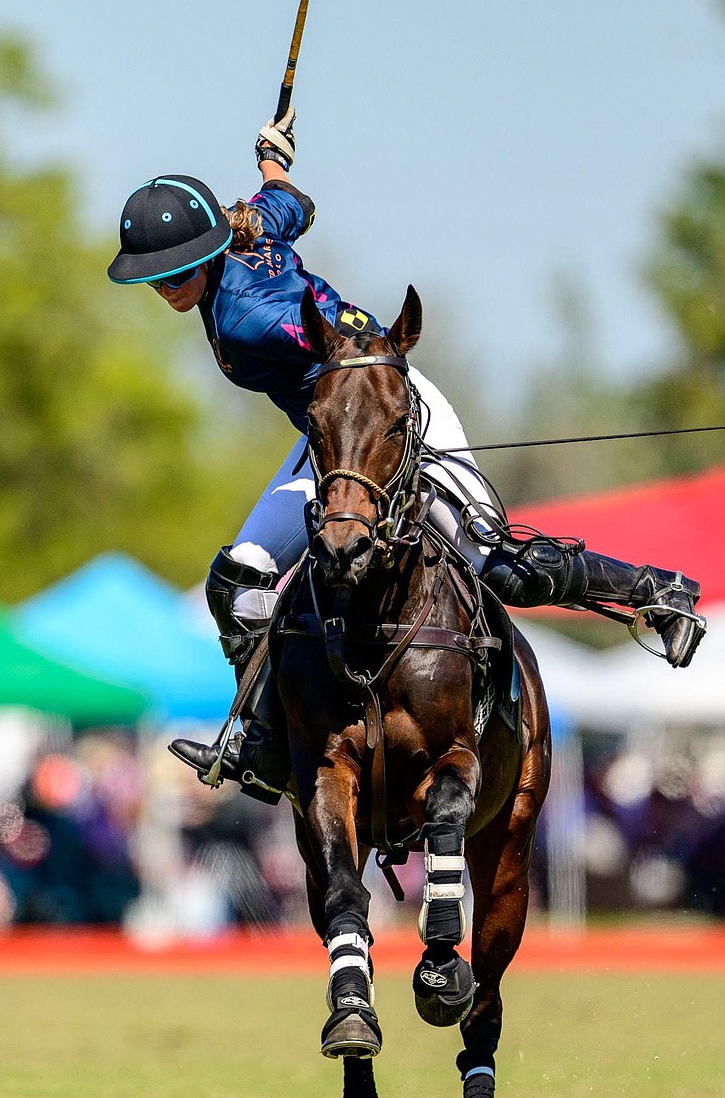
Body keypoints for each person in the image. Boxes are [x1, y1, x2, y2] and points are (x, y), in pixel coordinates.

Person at [108, 111, 706, 804]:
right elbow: (289, 207)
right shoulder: (247, 234)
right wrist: (275, 161)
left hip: (389, 409)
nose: (165, 286)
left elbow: (353, 343)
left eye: (175, 270)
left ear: (208, 251)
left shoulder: (249, 317)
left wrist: (384, 409)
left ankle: (654, 592)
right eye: (154, 276)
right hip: (332, 439)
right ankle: (264, 739)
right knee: (234, 584)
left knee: (491, 562)